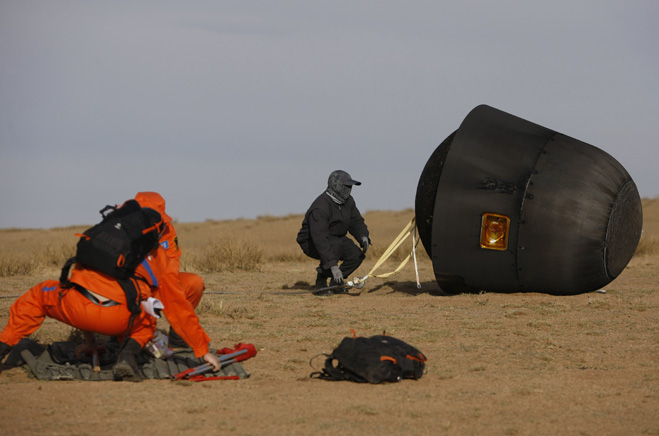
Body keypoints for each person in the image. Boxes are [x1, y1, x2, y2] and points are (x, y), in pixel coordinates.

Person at [0, 200, 221, 381]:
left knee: (39, 294)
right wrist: (202, 350)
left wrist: (89, 339)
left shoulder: (100, 238)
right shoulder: (157, 257)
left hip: (76, 308)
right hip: (118, 319)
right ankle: (128, 355)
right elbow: (177, 308)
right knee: (148, 315)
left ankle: (4, 343)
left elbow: (80, 286)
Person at [134, 191, 205, 347]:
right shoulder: (124, 230)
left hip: (160, 281)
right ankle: (123, 334)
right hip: (133, 287)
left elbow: (173, 262)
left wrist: (161, 291)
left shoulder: (167, 230)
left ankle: (179, 338)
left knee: (194, 282)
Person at [296, 170, 371, 296]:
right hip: (312, 242)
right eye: (346, 186)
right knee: (334, 245)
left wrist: (363, 236)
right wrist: (332, 266)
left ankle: (336, 284)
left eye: (350, 186)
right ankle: (321, 282)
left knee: (356, 255)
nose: (349, 189)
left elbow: (356, 221)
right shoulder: (320, 207)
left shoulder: (348, 201)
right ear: (335, 186)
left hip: (335, 238)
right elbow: (319, 238)